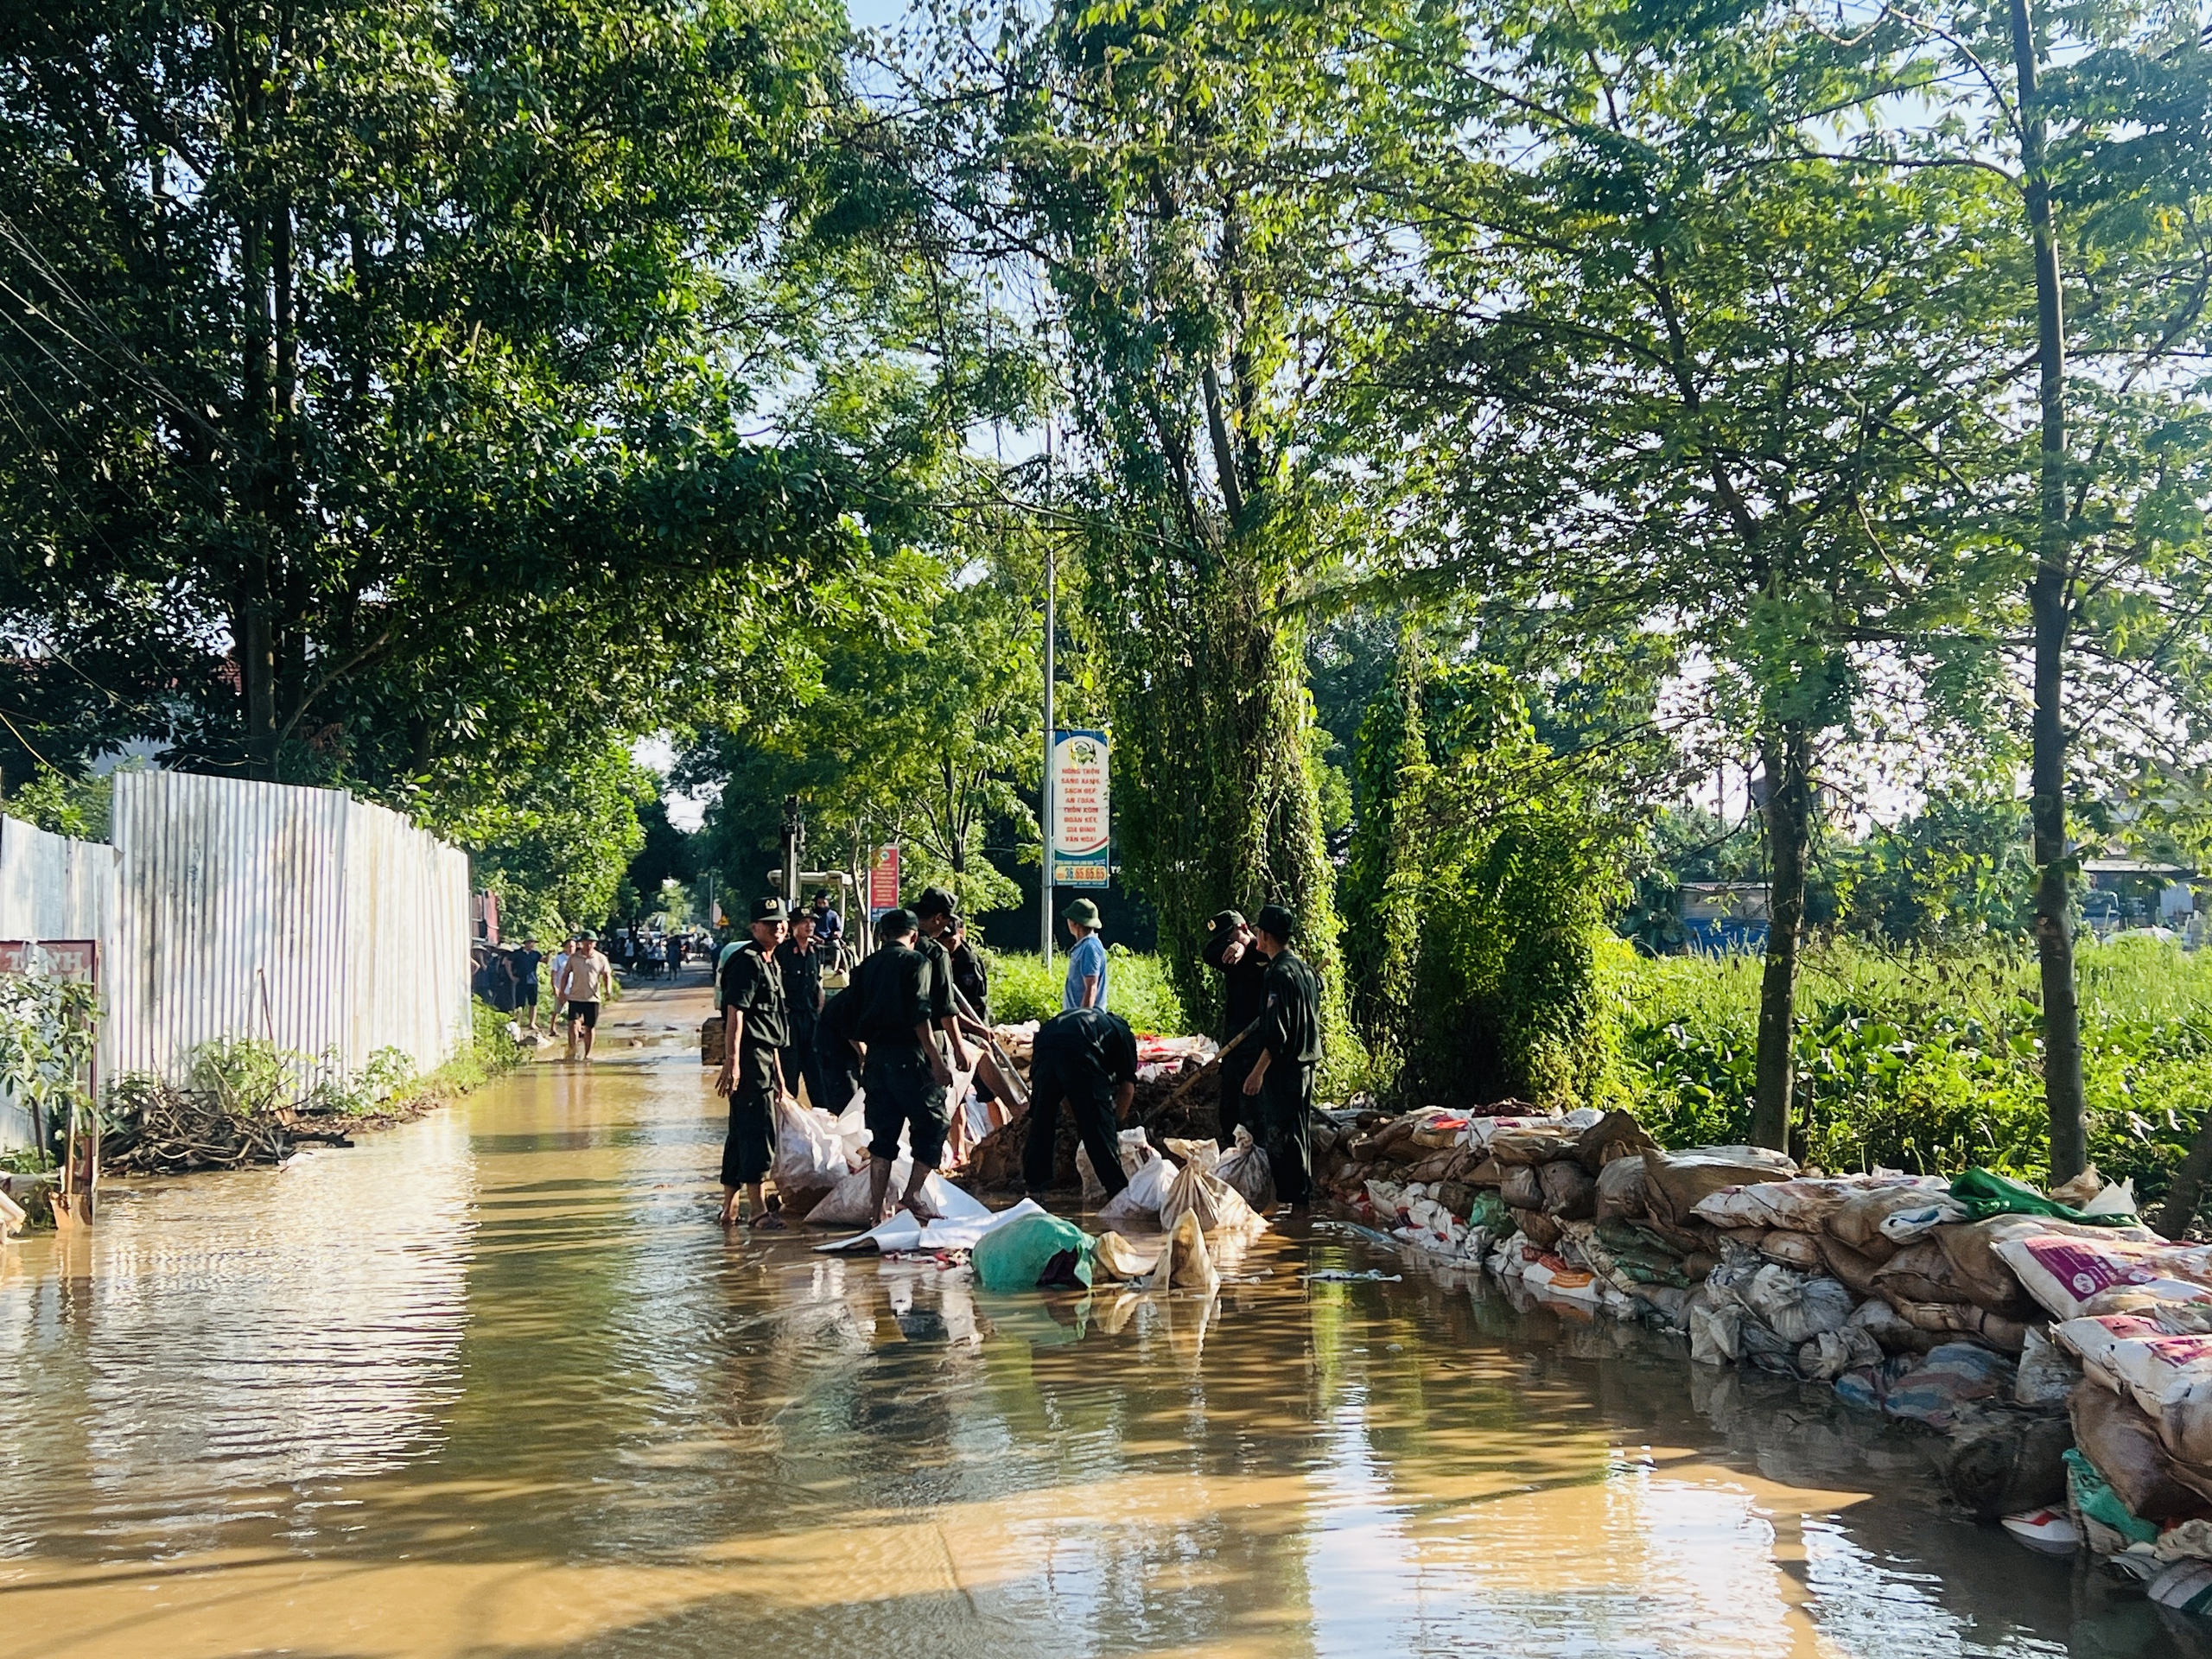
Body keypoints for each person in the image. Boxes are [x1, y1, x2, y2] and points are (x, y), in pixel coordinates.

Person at [844, 909, 953, 1224]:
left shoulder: (864, 968)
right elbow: (920, 1013)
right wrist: (936, 1059)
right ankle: (912, 1195)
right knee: (933, 1124)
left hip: (877, 1061)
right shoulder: (917, 962)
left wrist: (866, 1056)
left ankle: (875, 1211)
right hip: (911, 1057)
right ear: (914, 936)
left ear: (882, 936)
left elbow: (849, 1020)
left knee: (882, 1137)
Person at [715, 898, 794, 1228]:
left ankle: (729, 1209)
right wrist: (732, 1062)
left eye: (781, 922)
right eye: (768, 922)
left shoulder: (771, 962)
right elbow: (737, 1013)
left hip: (764, 1056)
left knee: (739, 1132)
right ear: (754, 928)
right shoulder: (746, 961)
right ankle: (759, 1211)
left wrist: (781, 1077)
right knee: (757, 1131)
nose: (777, 926)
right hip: (748, 1057)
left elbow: (771, 1026)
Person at [1241, 903, 1323, 1210]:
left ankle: (1293, 1211)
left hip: (1284, 1069)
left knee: (1281, 1138)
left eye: (1257, 931)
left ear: (1265, 935)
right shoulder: (1304, 970)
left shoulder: (1277, 974)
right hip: (1306, 1065)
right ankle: (1302, 1201)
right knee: (1299, 1133)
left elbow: (1278, 1034)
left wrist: (1258, 1072)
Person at [1022, 1004, 1139, 1201]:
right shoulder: (1124, 1036)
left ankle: (1033, 1188)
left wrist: (1080, 1118)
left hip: (1045, 1042)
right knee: (1098, 1123)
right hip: (1080, 1048)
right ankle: (1117, 1191)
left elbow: (1067, 1091)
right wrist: (1116, 1122)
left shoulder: (1099, 1024)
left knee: (1043, 1118)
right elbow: (1127, 1089)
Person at [1203, 909, 1269, 1149]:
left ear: (1243, 928)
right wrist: (1234, 946)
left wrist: (1246, 945)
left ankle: (1258, 1155)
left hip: (1257, 1043)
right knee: (1228, 1107)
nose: (1226, 946)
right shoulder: (1231, 960)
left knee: (1254, 1106)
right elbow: (1209, 954)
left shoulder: (1263, 954)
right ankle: (1230, 1152)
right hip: (1234, 1042)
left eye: (1229, 938)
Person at [908, 887, 976, 1077]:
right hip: (927, 1043)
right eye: (946, 922)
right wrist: (958, 1047)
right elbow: (945, 1007)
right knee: (931, 1103)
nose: (945, 929)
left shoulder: (890, 953)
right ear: (937, 918)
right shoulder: (935, 953)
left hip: (888, 1048)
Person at [777, 906, 828, 1110]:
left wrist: (819, 1009)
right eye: (805, 922)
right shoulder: (783, 952)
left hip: (811, 1020)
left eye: (812, 922)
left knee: (817, 1074)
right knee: (790, 1073)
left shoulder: (816, 952)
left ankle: (823, 1121)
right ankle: (788, 1121)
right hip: (790, 1021)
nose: (810, 925)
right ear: (793, 926)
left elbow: (818, 984)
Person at [558, 934, 613, 1059]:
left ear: (595, 944)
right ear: (581, 943)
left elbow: (607, 975)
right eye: (586, 942)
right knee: (572, 1024)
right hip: (575, 997)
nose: (589, 945)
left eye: (591, 942)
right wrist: (562, 991)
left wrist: (608, 990)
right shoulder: (574, 958)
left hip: (592, 998)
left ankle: (587, 1055)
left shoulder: (600, 958)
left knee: (589, 1027)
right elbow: (565, 975)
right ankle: (572, 1051)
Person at [814, 983, 861, 1115]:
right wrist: (863, 1057)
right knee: (847, 1105)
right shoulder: (854, 998)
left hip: (843, 1052)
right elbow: (851, 1031)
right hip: (835, 1054)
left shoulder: (859, 992)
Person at [1061, 897, 1109, 1011]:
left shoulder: (1090, 947)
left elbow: (1091, 987)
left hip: (1085, 1019)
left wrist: (1083, 1020)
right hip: (1075, 1017)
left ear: (1075, 923)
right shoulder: (1084, 946)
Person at [512, 938, 545, 1034]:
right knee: (519, 1004)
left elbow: (544, 961)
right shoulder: (518, 953)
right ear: (526, 943)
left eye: (533, 943)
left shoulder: (536, 954)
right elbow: (508, 962)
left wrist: (548, 954)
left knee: (533, 1003)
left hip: (532, 981)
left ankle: (532, 1023)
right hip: (521, 981)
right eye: (531, 943)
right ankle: (518, 1022)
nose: (532, 945)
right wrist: (512, 976)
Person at [809, 888, 843, 962]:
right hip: (814, 938)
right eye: (819, 903)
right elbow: (808, 930)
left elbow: (839, 930)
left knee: (837, 948)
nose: (821, 905)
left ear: (828, 902)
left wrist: (837, 934)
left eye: (823, 903)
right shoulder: (812, 914)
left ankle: (836, 967)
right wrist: (816, 938)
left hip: (830, 939)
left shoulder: (833, 915)